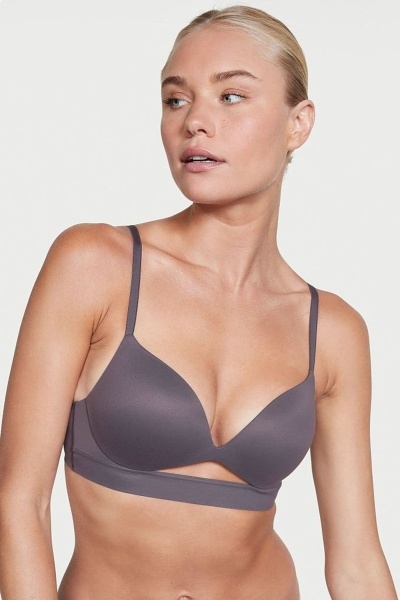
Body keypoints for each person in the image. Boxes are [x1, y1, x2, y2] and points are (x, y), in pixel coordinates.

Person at [0, 5, 397, 600]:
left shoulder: (333, 331)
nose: (195, 122)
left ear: (297, 124)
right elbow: (18, 501)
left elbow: (357, 562)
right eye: (176, 99)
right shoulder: (95, 266)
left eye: (231, 96)